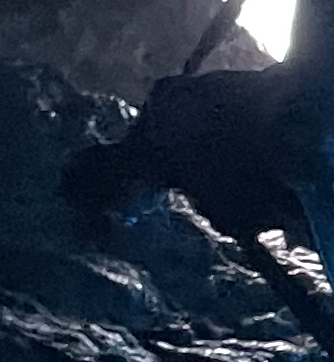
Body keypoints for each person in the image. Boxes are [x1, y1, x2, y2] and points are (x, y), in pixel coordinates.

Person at [58, 64, 318, 248]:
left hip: (317, 147)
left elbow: (304, 215)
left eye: (128, 213)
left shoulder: (217, 201)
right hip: (314, 83)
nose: (139, 213)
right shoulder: (167, 97)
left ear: (124, 188)